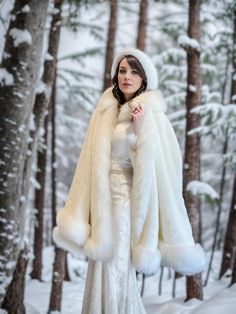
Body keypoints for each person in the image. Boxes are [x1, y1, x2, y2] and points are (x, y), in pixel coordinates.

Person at [53, 48, 205, 313]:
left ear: (144, 78)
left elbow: (156, 169)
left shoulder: (151, 114)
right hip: (101, 201)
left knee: (117, 266)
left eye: (134, 71)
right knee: (99, 266)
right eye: (123, 70)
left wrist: (138, 132)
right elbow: (88, 160)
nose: (127, 76)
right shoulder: (105, 110)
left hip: (125, 203)